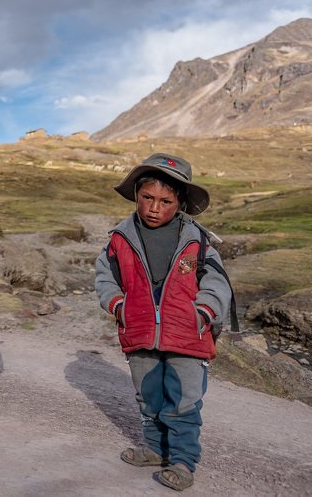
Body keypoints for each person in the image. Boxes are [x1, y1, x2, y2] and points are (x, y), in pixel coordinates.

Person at [95, 153, 233, 492]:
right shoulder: (119, 239)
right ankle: (155, 449)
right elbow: (104, 278)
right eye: (148, 198)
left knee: (184, 400)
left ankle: (183, 461)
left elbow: (217, 283)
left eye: (166, 201)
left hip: (188, 335)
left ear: (180, 203)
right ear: (137, 195)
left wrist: (203, 312)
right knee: (149, 397)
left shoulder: (197, 242)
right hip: (139, 331)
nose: (155, 208)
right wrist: (118, 306)